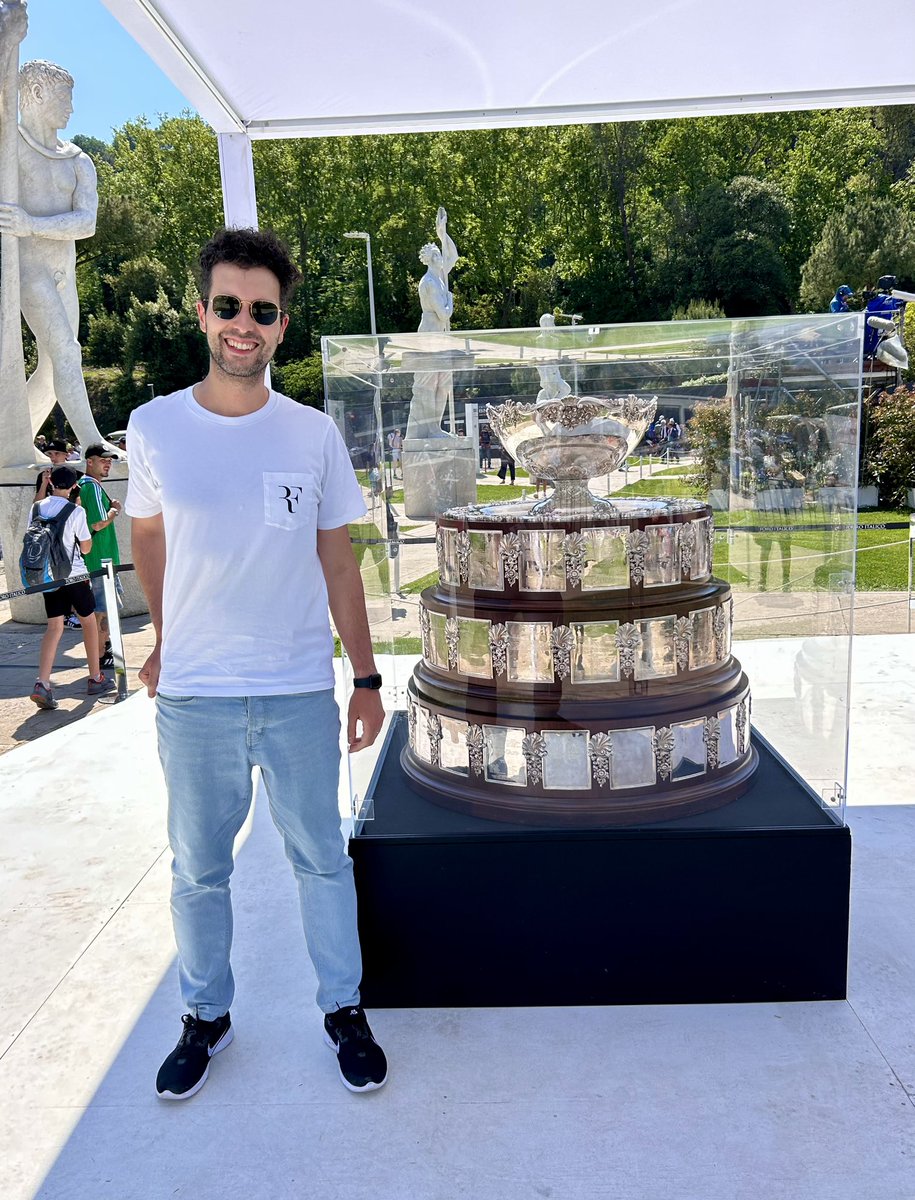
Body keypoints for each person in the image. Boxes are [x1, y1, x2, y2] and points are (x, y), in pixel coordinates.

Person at [126, 227, 388, 1100]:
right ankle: (206, 1017)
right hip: (196, 696)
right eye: (229, 305)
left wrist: (366, 678)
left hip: (296, 690)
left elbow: (339, 562)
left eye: (263, 311)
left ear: (282, 325)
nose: (245, 323)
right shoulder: (153, 425)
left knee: (320, 858)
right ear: (202, 312)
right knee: (199, 869)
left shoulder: (311, 434)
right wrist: (166, 639)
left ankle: (342, 1009)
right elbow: (150, 539)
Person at [0, 58, 122, 463]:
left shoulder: (79, 161)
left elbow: (86, 223)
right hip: (28, 272)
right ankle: (92, 443)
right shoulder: (9, 146)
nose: (71, 109)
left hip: (62, 275)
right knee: (67, 353)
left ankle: (11, 443)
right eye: (64, 98)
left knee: (55, 372)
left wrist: (31, 223)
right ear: (35, 94)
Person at [28, 465, 114, 711]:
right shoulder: (76, 511)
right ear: (74, 486)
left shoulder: (36, 508)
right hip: (74, 575)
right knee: (88, 622)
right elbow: (85, 548)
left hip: (48, 577)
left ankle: (42, 682)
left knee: (54, 627)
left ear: (51, 482)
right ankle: (95, 677)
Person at [78, 445, 122, 670]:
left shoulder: (86, 486)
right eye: (102, 460)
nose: (107, 463)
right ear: (89, 462)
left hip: (97, 560)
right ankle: (101, 657)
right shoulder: (91, 487)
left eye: (110, 461)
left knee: (100, 612)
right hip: (100, 561)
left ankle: (101, 656)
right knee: (101, 613)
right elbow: (98, 522)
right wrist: (114, 509)